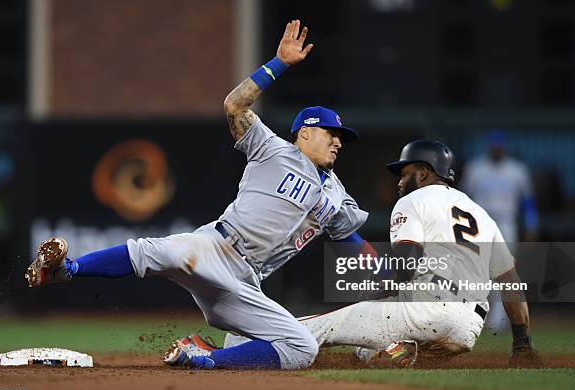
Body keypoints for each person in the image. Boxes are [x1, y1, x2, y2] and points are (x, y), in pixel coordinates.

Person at [25, 20, 370, 370]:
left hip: (246, 283)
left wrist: (385, 267)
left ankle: (204, 358)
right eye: (331, 132)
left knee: (302, 348)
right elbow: (235, 105)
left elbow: (348, 234)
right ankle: (64, 271)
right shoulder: (273, 149)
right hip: (216, 247)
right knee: (152, 250)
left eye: (342, 137)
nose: (339, 141)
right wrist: (278, 64)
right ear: (305, 134)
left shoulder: (338, 195)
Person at [218, 140, 542, 368]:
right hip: (468, 328)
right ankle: (398, 353)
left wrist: (371, 287)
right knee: (364, 348)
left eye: (405, 173)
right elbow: (511, 283)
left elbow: (404, 269)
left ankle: (225, 355)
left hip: (426, 309)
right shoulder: (481, 214)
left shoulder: (413, 202)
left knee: (318, 327)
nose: (400, 181)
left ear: (426, 173)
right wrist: (522, 345)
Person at [461, 130, 539, 331]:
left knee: (504, 270)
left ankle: (499, 317)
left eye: (499, 145)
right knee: (478, 270)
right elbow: (463, 199)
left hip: (506, 223)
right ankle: (481, 314)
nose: (496, 148)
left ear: (504, 146)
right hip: (479, 224)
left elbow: (528, 202)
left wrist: (531, 225)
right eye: (493, 144)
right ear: (489, 146)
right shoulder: (475, 168)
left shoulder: (517, 169)